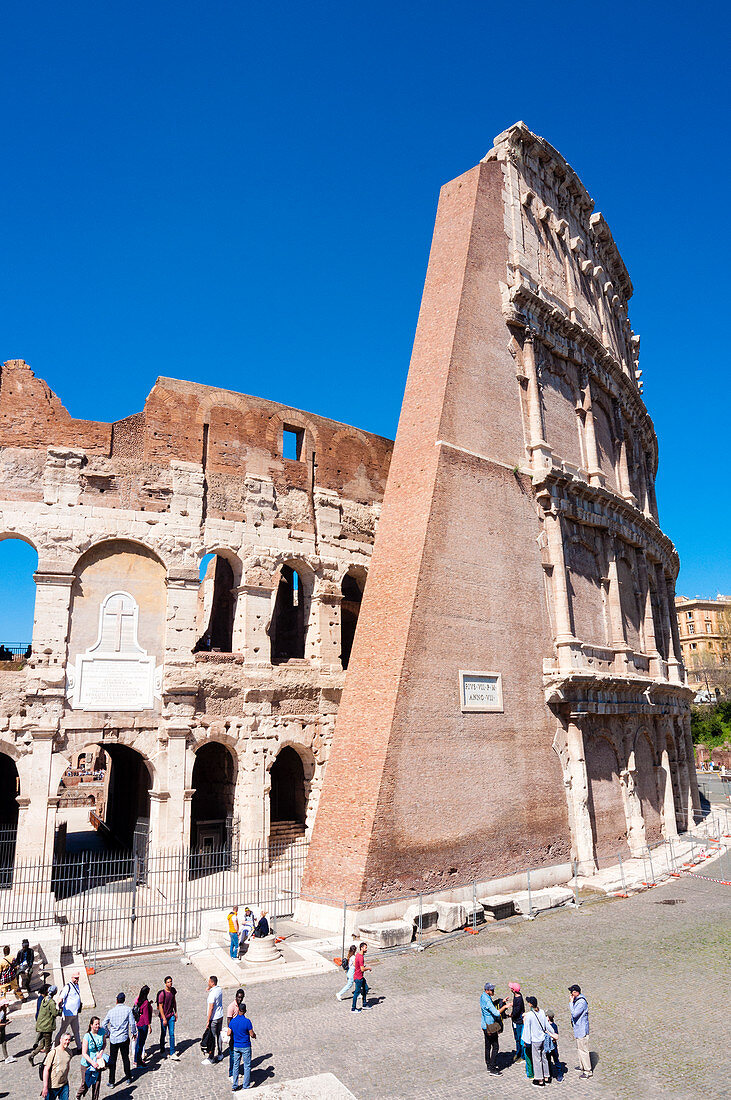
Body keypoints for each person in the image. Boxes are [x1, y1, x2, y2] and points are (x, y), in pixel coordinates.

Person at [101, 992, 137, 1087]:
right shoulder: (128, 1010)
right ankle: (128, 1077)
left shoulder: (111, 1012)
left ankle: (112, 1081)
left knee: (113, 1060)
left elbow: (103, 1024)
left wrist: (108, 1033)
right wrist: (134, 1033)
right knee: (125, 1058)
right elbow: (132, 1024)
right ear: (124, 1000)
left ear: (116, 1000)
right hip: (124, 1038)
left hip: (114, 1039)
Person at [521, 995, 556, 1087]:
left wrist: (525, 1041)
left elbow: (527, 1030)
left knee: (537, 1060)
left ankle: (539, 1080)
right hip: (543, 1039)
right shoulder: (541, 1013)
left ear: (530, 1004)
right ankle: (547, 1077)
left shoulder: (529, 1015)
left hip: (536, 1041)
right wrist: (553, 1033)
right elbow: (547, 1025)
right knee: (544, 1058)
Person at [75, 1016, 107, 1100]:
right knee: (85, 1083)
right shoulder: (87, 1036)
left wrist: (101, 1052)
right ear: (91, 1025)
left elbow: (104, 1043)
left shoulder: (102, 1032)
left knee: (96, 1083)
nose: (97, 1026)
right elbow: (84, 1053)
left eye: (98, 1024)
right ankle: (78, 1096)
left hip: (97, 1063)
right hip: (87, 1064)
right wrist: (92, 1063)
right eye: (96, 1024)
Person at [228, 1001, 256, 1091]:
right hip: (246, 1046)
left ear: (238, 1010)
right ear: (245, 1011)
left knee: (236, 1065)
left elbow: (229, 1033)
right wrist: (254, 1036)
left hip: (236, 1046)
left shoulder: (233, 1021)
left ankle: (235, 1085)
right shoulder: (247, 1022)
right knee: (247, 1066)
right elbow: (251, 1034)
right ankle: (245, 1085)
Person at [30, 985, 60, 1064]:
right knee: (47, 1044)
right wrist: (61, 1010)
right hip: (47, 1026)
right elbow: (54, 1013)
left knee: (42, 1044)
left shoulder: (44, 999)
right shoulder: (51, 1002)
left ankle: (32, 1055)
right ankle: (47, 1061)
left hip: (42, 1025)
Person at [568, 984, 592, 1079]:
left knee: (583, 1050)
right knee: (580, 1049)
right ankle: (582, 1066)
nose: (571, 994)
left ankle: (587, 1071)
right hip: (578, 1030)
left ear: (576, 992)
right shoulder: (578, 1000)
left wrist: (571, 1003)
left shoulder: (581, 1002)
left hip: (581, 1030)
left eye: (572, 992)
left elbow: (574, 1014)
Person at [42, 1031, 74, 1100]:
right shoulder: (53, 1052)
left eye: (69, 1040)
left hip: (64, 1084)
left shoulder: (69, 1052)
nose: (67, 1042)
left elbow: (67, 1065)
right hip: (52, 1086)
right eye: (66, 1040)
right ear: (61, 1040)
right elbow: (46, 1070)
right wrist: (45, 1087)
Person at [480, 982, 503, 1076]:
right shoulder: (487, 1000)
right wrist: (505, 1006)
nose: (493, 991)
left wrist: (501, 1001)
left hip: (484, 1025)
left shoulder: (483, 996)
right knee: (495, 1046)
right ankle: (492, 1068)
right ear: (487, 990)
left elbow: (490, 1006)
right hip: (490, 1026)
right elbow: (496, 1013)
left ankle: (488, 1064)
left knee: (487, 1046)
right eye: (492, 990)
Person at [57, 972, 83, 1050]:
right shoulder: (67, 987)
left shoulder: (77, 986)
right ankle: (54, 1047)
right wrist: (59, 1007)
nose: (76, 979)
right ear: (72, 978)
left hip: (75, 1013)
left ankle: (79, 1047)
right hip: (68, 1014)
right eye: (75, 978)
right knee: (62, 1030)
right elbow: (61, 997)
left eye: (77, 978)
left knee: (76, 1030)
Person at [202, 974, 224, 1065]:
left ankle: (211, 1056)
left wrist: (208, 1020)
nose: (208, 982)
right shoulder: (219, 989)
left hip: (214, 1018)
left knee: (211, 1038)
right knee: (219, 1035)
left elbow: (211, 1007)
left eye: (209, 981)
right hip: (220, 1016)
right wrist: (209, 988)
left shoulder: (212, 995)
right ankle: (220, 1053)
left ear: (212, 982)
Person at [157, 976, 180, 1060]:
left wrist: (176, 1012)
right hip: (164, 1017)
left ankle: (172, 1052)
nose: (170, 983)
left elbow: (174, 1001)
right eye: (168, 982)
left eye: (171, 981)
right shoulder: (162, 994)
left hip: (171, 1015)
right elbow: (160, 1006)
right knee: (163, 1034)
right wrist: (163, 1018)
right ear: (165, 983)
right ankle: (162, 1050)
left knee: (172, 1034)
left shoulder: (173, 991)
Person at [226, 988, 246, 1077]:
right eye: (238, 997)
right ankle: (231, 1074)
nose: (240, 999)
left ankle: (236, 1072)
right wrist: (231, 1033)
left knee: (238, 1055)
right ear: (236, 997)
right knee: (233, 1055)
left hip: (239, 1033)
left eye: (241, 998)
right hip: (234, 1034)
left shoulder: (241, 1006)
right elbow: (229, 1020)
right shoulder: (231, 1007)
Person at [132, 985, 152, 1069]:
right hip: (144, 1024)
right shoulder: (146, 1002)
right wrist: (149, 1026)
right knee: (141, 1043)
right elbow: (146, 1015)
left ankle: (136, 1059)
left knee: (138, 1043)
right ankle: (138, 1061)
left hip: (138, 1023)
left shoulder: (139, 1000)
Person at [507, 981, 525, 1062]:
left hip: (518, 1022)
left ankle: (522, 1056)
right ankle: (518, 1052)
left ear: (514, 990)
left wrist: (510, 1015)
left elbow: (516, 1012)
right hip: (515, 1021)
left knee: (520, 1039)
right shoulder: (517, 996)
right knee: (516, 1038)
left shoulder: (518, 999)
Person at [351, 942, 370, 1012]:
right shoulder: (361, 957)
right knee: (356, 992)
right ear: (361, 948)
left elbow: (354, 964)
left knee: (365, 988)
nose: (366, 949)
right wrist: (368, 968)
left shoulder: (357, 955)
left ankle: (364, 1004)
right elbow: (362, 969)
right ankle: (353, 1008)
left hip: (359, 976)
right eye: (365, 947)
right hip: (358, 977)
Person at [545, 1010, 561, 1081]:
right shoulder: (545, 1024)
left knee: (556, 1060)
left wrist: (549, 1034)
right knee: (548, 1061)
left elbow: (556, 1037)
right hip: (547, 1045)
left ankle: (560, 1074)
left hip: (553, 1045)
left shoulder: (553, 1026)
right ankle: (549, 1074)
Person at [0, 997, 16, 1063]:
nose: (8, 1005)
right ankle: (6, 1057)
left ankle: (6, 1057)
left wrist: (6, 1020)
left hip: (2, 1030)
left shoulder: (4, 1011)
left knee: (4, 1043)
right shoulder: (1, 1012)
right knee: (3, 1042)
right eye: (6, 1004)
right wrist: (6, 1023)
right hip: (0, 1030)